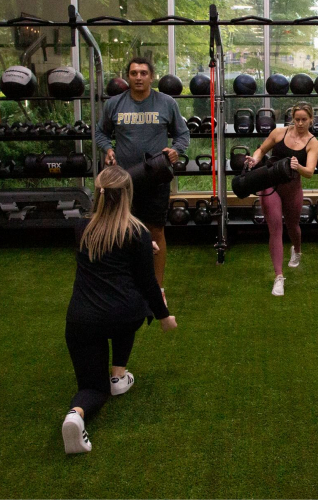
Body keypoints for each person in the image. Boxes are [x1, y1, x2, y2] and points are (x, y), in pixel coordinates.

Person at [62, 165, 177, 455]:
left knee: (91, 389)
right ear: (128, 195)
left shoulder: (81, 228)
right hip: (121, 316)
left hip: (81, 319)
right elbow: (147, 282)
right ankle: (118, 374)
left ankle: (75, 414)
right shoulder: (136, 232)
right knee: (133, 303)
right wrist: (164, 316)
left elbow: (108, 249)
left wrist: (141, 248)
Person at [96, 57, 189, 304]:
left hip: (155, 177)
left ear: (151, 76)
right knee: (120, 232)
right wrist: (107, 149)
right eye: (134, 73)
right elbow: (100, 132)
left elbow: (182, 134)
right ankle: (125, 284)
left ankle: (157, 289)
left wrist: (176, 150)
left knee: (155, 231)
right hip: (123, 180)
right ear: (128, 76)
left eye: (143, 73)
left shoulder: (166, 103)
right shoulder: (114, 104)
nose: (138, 77)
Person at [244, 102, 318, 296]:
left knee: (293, 226)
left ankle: (297, 248)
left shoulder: (313, 143)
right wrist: (255, 159)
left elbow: (310, 172)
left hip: (292, 186)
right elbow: (261, 150)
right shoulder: (279, 133)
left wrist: (298, 167)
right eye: (297, 119)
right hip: (270, 182)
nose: (300, 123)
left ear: (311, 120)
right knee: (275, 227)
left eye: (304, 120)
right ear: (292, 119)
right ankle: (279, 277)